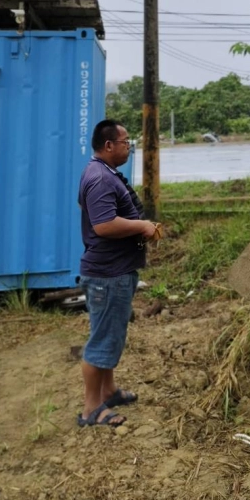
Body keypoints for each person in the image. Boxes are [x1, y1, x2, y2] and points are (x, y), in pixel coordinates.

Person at [77, 119, 160, 428]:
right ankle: (91, 409)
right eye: (125, 141)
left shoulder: (104, 173)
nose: (129, 146)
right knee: (102, 340)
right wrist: (141, 226)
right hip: (108, 275)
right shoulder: (99, 177)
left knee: (112, 335)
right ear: (108, 145)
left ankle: (108, 390)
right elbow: (104, 224)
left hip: (116, 271)